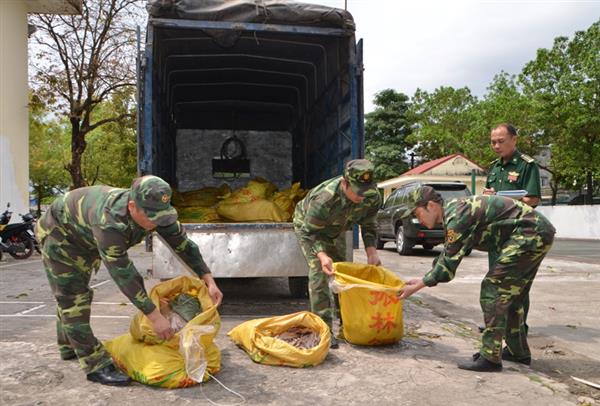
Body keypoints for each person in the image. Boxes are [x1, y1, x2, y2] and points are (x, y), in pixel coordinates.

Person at [36, 175, 223, 386]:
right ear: (132, 206)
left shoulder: (155, 211)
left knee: (72, 297)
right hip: (62, 236)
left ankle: (69, 345)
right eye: (151, 217)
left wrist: (208, 279)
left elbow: (183, 244)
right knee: (74, 299)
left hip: (87, 235)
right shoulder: (109, 222)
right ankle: (94, 364)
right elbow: (124, 273)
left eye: (161, 216)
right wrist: (154, 316)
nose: (156, 222)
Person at [397, 186, 555, 372]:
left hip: (530, 235)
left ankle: (490, 357)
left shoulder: (457, 215)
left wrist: (417, 287)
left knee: (493, 289)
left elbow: (447, 268)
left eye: (418, 213)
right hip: (534, 233)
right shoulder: (454, 212)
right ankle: (518, 352)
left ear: (431, 206)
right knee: (512, 297)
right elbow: (448, 254)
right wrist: (422, 279)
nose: (419, 220)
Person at [293, 159, 382, 348]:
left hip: (337, 228)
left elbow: (369, 223)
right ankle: (323, 330)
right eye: (358, 192)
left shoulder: (372, 195)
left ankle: (347, 323)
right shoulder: (325, 199)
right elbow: (311, 232)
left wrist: (371, 250)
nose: (362, 197)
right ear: (344, 183)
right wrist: (322, 255)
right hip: (310, 227)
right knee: (320, 271)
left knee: (341, 273)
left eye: (365, 191)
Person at [483, 123, 541, 208]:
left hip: (516, 219)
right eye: (493, 142)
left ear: (514, 140)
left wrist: (504, 200)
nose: (497, 146)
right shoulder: (494, 167)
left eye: (501, 141)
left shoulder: (526, 165)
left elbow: (533, 200)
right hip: (496, 219)